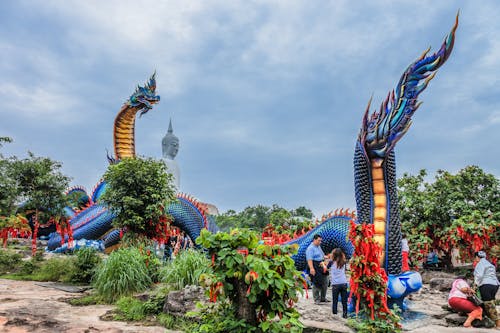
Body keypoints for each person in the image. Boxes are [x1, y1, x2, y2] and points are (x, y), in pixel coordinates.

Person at [474, 250, 499, 328]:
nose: (475, 259)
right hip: (495, 285)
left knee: (488, 304)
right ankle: (492, 322)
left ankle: (498, 324)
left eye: (475, 257)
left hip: (486, 285)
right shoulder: (490, 264)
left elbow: (479, 276)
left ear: (477, 257)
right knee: (491, 303)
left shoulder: (480, 264)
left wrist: (475, 285)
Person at [306, 234, 329, 304]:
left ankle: (323, 297)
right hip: (314, 265)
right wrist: (311, 268)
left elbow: (322, 255)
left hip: (321, 264)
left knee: (325, 281)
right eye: (319, 240)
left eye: (320, 241)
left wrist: (327, 257)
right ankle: (316, 299)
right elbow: (309, 259)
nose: (320, 242)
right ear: (314, 240)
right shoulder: (310, 248)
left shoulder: (318, 247)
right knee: (316, 282)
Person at [328, 248, 348, 318]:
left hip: (335, 284)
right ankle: (345, 314)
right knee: (344, 300)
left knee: (335, 300)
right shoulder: (344, 262)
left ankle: (334, 313)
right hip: (344, 283)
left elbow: (325, 269)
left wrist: (323, 264)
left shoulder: (331, 262)